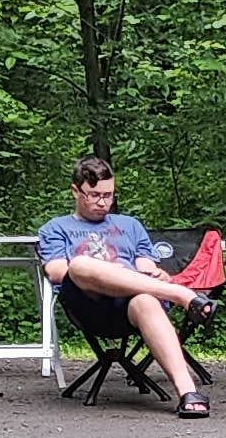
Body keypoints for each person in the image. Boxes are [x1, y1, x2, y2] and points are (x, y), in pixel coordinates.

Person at [37, 154, 211, 417]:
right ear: (75, 191)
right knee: (80, 265)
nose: (103, 202)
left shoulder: (130, 225)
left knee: (147, 300)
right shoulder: (56, 228)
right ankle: (183, 296)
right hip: (90, 305)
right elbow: (59, 271)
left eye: (108, 195)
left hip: (129, 307)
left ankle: (188, 392)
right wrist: (111, 270)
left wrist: (155, 275)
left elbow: (146, 265)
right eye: (94, 195)